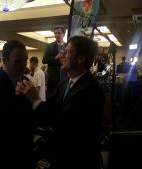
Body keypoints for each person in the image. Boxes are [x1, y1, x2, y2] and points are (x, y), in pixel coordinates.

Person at [17, 36, 105, 169]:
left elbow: (62, 122)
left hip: (79, 160)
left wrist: (35, 99)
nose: (62, 56)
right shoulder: (65, 82)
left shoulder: (92, 89)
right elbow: (51, 107)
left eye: (68, 52)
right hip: (61, 156)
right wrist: (27, 95)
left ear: (81, 59)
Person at [0, 40, 34, 169]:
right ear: (5, 61)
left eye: (25, 60)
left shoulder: (25, 81)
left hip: (24, 150)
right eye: (18, 61)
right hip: (1, 153)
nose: (23, 65)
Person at [43, 25, 66, 98]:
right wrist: (56, 57)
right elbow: (44, 60)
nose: (57, 35)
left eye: (59, 33)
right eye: (55, 33)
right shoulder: (49, 46)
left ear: (63, 34)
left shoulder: (68, 46)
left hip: (65, 78)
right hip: (52, 80)